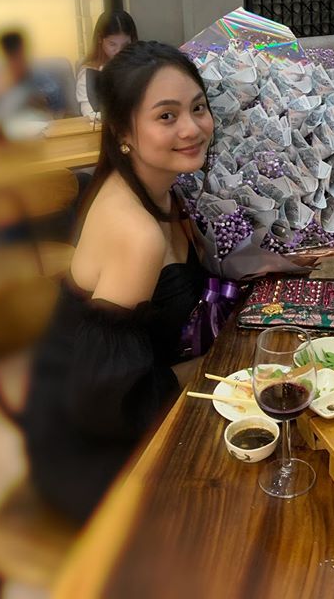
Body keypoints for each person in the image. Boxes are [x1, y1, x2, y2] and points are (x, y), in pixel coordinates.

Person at [25, 41, 214, 522]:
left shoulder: (164, 189)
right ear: (123, 131)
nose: (192, 128)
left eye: (197, 108)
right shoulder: (137, 234)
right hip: (96, 450)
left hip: (128, 408)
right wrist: (213, 368)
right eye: (166, 116)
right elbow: (105, 400)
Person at [0, 29, 65, 137]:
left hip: (39, 131)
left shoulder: (36, 74)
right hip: (5, 135)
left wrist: (36, 96)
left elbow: (57, 104)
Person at [76, 10, 138, 119]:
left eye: (125, 45)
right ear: (100, 39)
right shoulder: (91, 72)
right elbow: (90, 113)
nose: (119, 51)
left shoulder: (141, 65)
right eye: (112, 44)